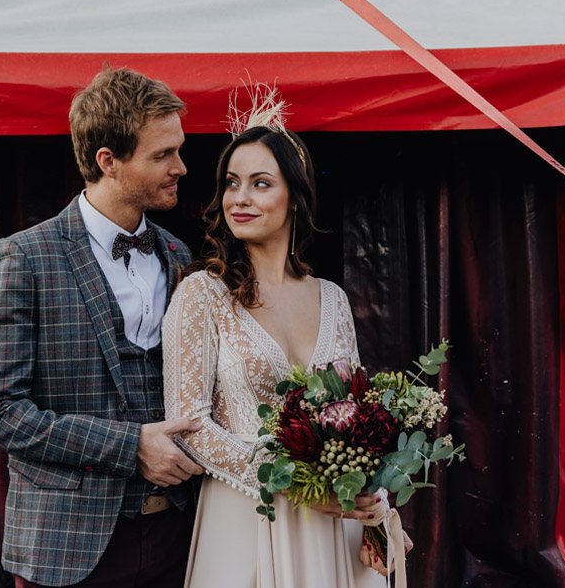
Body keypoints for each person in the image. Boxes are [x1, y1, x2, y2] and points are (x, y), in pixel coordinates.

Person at [162, 86, 411, 588]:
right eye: (232, 183)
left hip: (335, 528)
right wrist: (295, 484)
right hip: (247, 519)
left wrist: (376, 502)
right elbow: (189, 425)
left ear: (295, 198)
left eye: (260, 183)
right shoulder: (203, 294)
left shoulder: (334, 299)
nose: (240, 198)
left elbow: (363, 424)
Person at [0, 66, 205, 588]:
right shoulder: (25, 257)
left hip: (176, 539)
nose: (181, 167)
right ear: (108, 161)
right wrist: (128, 446)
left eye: (178, 150)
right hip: (66, 548)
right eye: (163, 154)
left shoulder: (177, 255)